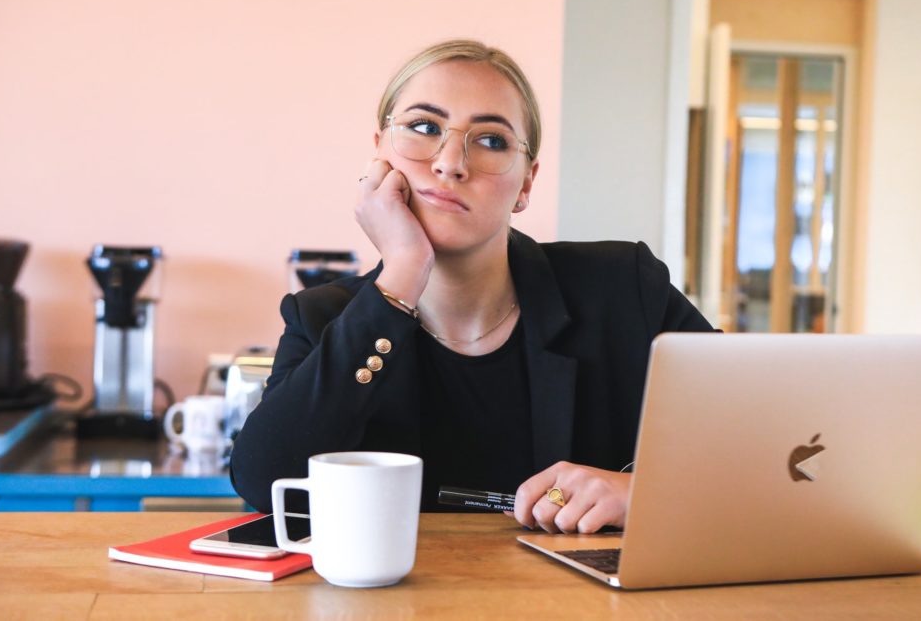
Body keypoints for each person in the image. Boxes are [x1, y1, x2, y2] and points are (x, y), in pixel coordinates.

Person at [230, 39, 714, 534]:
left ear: (526, 183)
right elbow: (265, 482)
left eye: (491, 140)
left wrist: (645, 493)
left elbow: (769, 444)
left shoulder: (624, 288)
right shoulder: (322, 317)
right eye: (424, 128)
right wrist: (401, 273)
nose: (450, 162)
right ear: (378, 152)